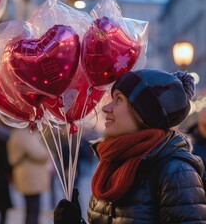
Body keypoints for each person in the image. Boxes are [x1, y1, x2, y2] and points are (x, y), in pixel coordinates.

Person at [54, 69, 206, 223]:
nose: (106, 108)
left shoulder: (176, 173)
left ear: (144, 112)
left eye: (118, 99)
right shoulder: (109, 164)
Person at [7, 127, 50, 224]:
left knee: (29, 209)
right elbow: (40, 153)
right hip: (31, 177)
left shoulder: (15, 134)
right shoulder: (26, 135)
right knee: (33, 210)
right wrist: (46, 153)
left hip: (24, 175)